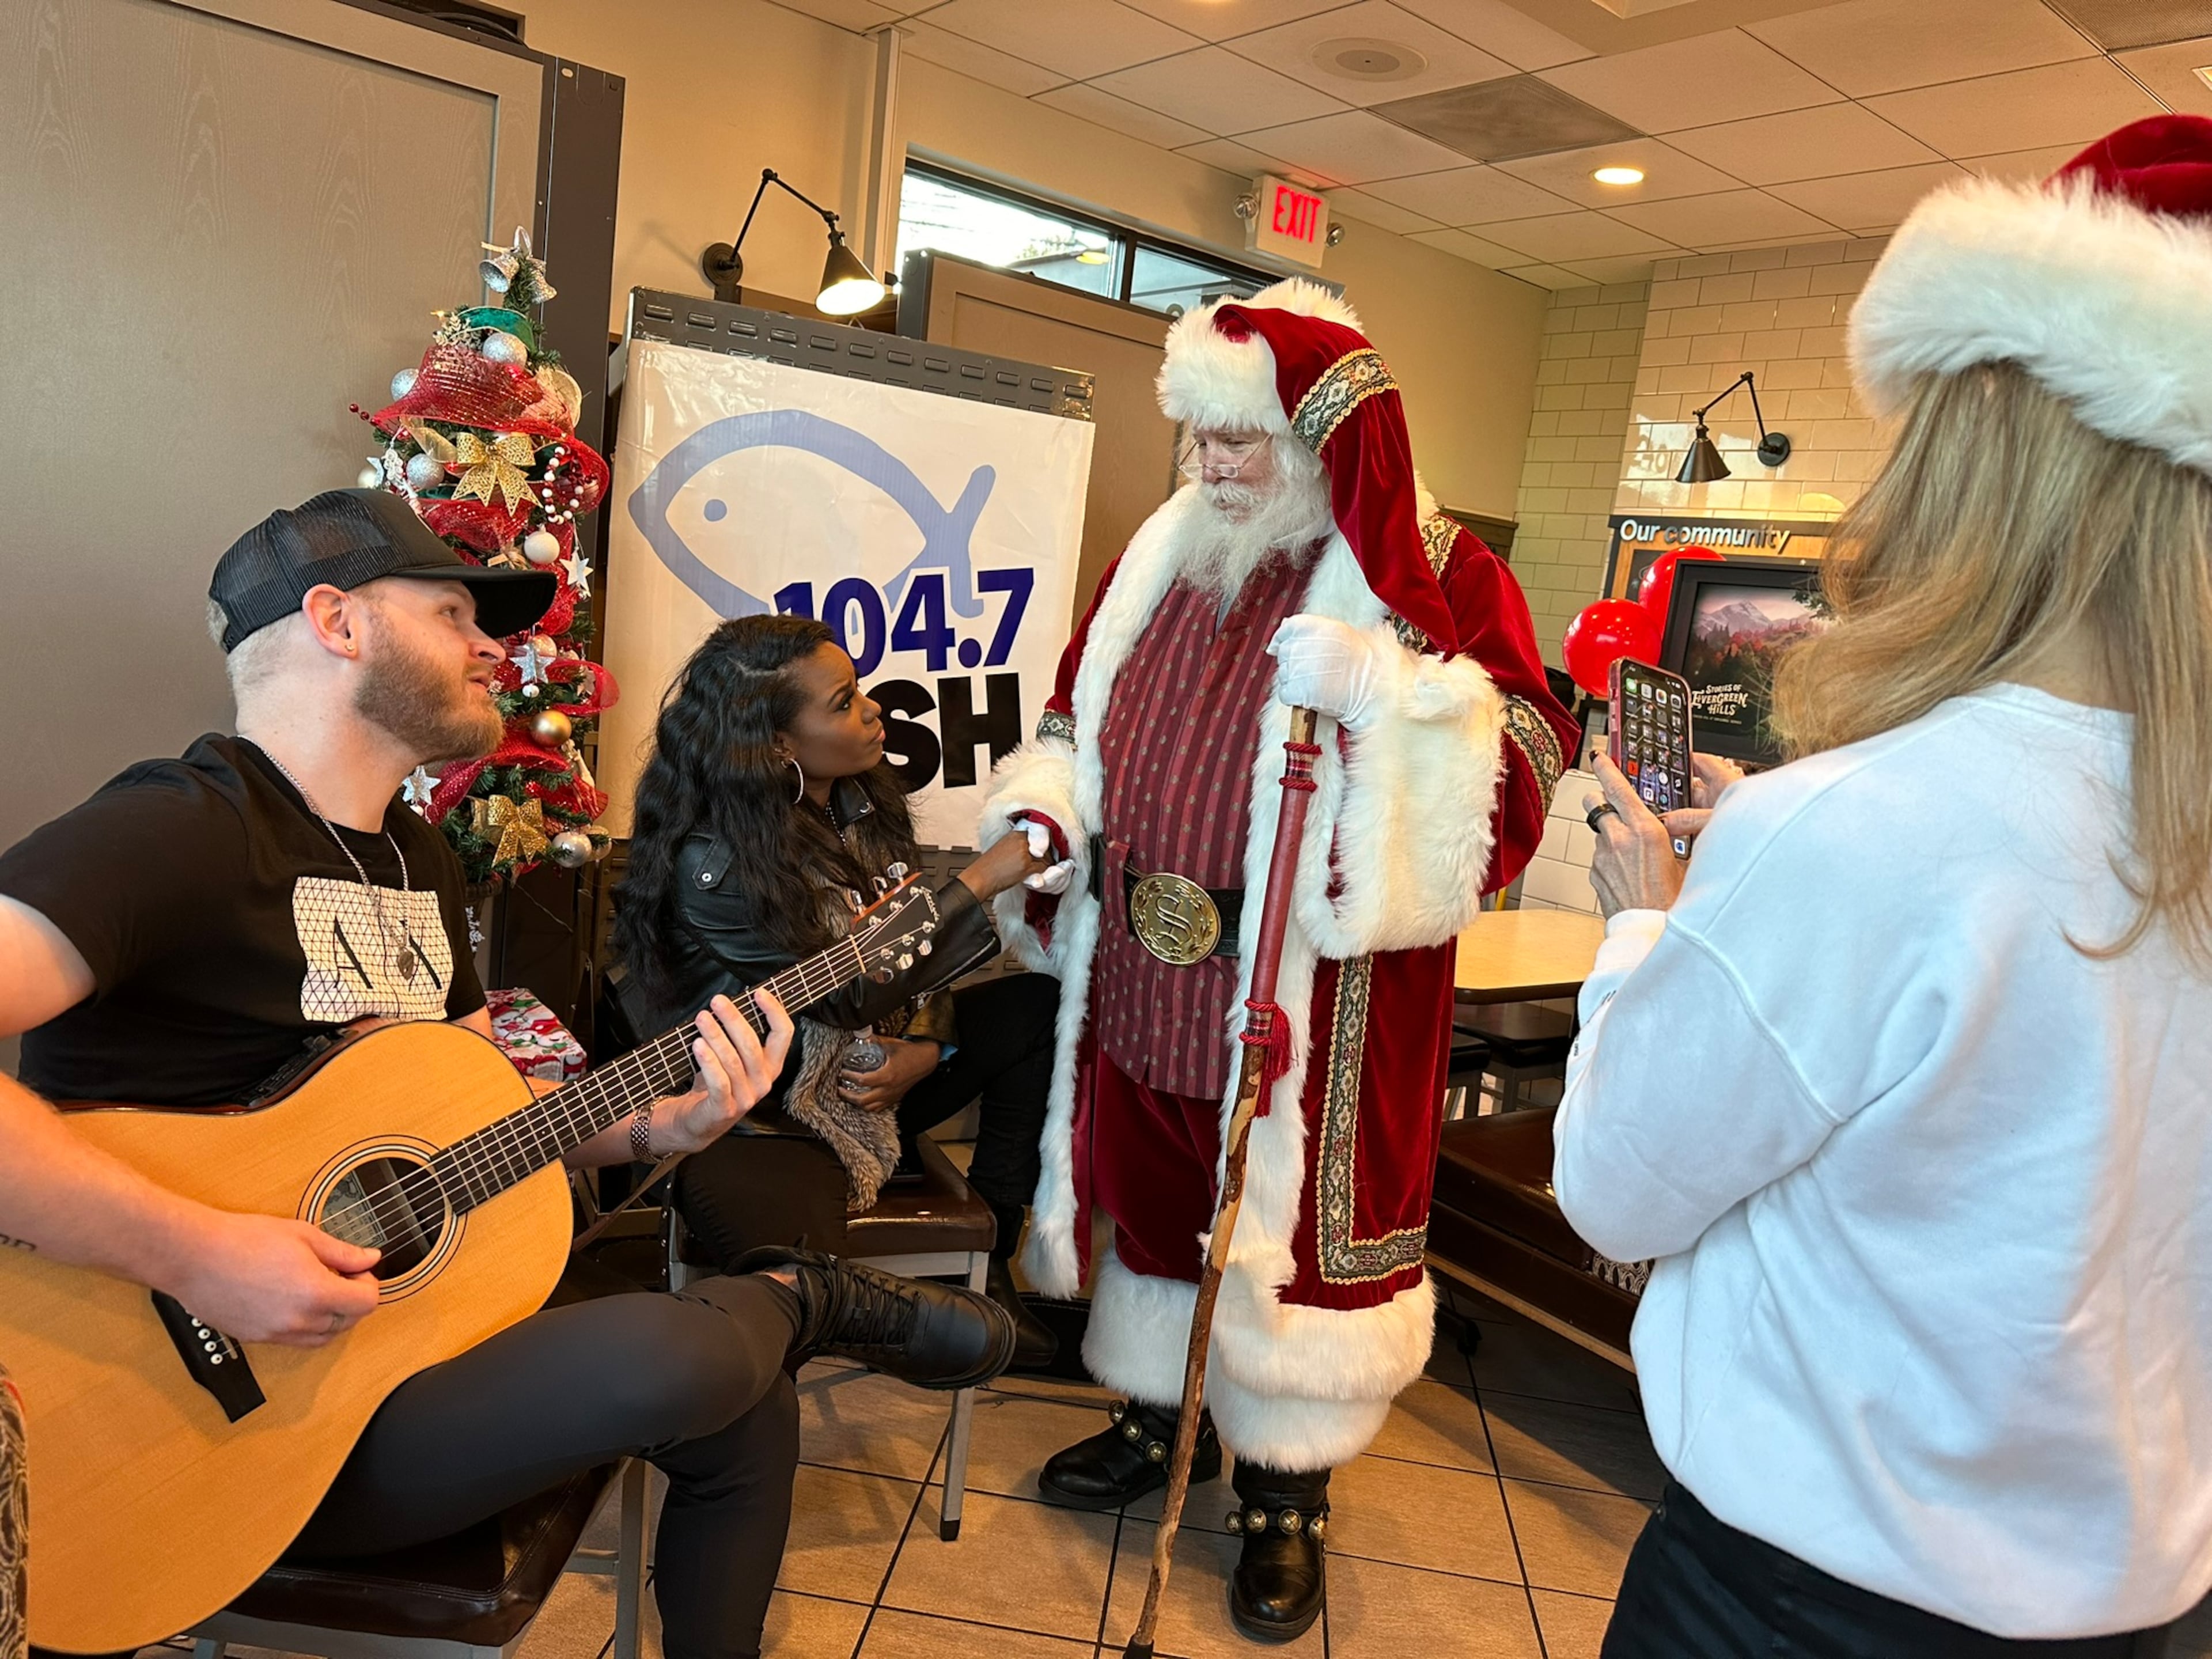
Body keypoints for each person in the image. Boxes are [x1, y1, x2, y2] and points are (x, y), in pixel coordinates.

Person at [0, 488, 1013, 1659]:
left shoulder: (416, 856)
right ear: (337, 623)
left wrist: (651, 1131)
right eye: (451, 613)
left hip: (388, 1371)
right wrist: (196, 1252)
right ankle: (813, 1296)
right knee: (684, 1347)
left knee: (741, 1399)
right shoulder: (182, 828)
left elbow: (481, 1114)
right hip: (207, 1427)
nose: (498, 647)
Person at [1553, 115, 2212, 1658]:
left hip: (1797, 1606)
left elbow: (1616, 1189)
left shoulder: (1857, 828)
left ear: (1990, 450)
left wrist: (1653, 919)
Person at [980, 278, 1575, 1640]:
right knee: (1155, 1186)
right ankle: (1151, 1407)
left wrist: (1392, 701)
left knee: (1285, 1240)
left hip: (1310, 1000)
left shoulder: (1438, 576)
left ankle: (1283, 1489)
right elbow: (1076, 719)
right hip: (1146, 967)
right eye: (1196, 434)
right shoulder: (1163, 549)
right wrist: (1049, 809)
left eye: (1239, 438)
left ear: (1323, 436)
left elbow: (1531, 762)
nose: (1211, 465)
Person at [611, 613, 1062, 1366]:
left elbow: (910, 937)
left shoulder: (858, 799)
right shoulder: (714, 860)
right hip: (764, 1116)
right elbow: (843, 991)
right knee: (795, 1304)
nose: (874, 710)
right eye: (844, 701)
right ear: (777, 744)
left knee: (1035, 1010)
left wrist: (930, 1043)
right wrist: (981, 881)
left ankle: (995, 1268)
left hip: (861, 1072)